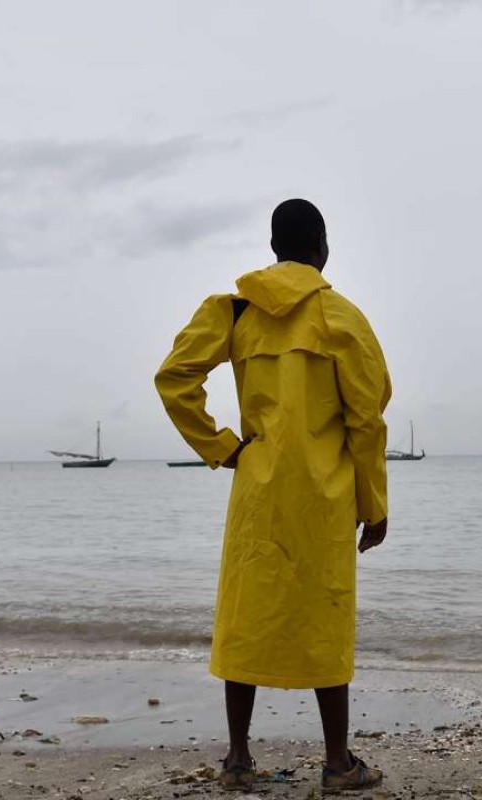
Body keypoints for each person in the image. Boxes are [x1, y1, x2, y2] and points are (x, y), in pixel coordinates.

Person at [155, 198, 391, 792]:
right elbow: (367, 418)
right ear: (323, 248)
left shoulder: (235, 312)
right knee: (326, 614)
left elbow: (174, 378)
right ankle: (338, 764)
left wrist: (223, 447)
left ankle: (238, 759)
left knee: (247, 616)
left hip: (256, 487)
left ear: (273, 246)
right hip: (326, 494)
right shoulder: (342, 317)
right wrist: (374, 504)